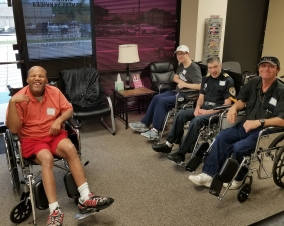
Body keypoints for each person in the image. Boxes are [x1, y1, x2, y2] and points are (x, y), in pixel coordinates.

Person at [6, 66, 114, 226]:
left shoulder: (54, 92)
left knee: (71, 149)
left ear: (46, 80)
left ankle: (86, 198)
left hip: (54, 135)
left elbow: (69, 110)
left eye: (41, 76)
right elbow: (14, 129)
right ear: (27, 80)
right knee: (47, 158)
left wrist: (58, 120)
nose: (37, 78)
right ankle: (55, 210)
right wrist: (12, 102)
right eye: (33, 76)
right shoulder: (18, 98)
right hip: (33, 140)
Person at [188, 56, 284, 189]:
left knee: (239, 147)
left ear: (277, 70)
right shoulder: (253, 83)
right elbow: (241, 101)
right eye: (263, 66)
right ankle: (208, 175)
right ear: (259, 68)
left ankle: (239, 178)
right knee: (222, 137)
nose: (266, 69)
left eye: (270, 66)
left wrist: (260, 122)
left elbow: (282, 120)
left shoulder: (281, 90)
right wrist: (233, 108)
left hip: (266, 130)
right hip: (247, 124)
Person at [152, 56, 236, 163]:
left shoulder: (228, 81)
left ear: (220, 66)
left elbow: (226, 105)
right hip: (202, 108)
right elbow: (201, 97)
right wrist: (197, 108)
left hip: (216, 112)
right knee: (181, 114)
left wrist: (205, 112)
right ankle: (169, 144)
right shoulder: (206, 79)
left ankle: (181, 154)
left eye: (215, 67)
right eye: (210, 68)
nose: (213, 70)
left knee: (196, 121)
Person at [129, 45, 202, 141]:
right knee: (156, 97)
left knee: (162, 101)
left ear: (188, 54)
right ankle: (145, 123)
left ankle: (155, 131)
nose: (179, 56)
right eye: (178, 54)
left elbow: (200, 86)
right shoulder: (181, 65)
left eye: (182, 54)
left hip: (186, 95)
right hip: (177, 91)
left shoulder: (194, 68)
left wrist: (184, 84)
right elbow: (175, 77)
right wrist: (180, 82)